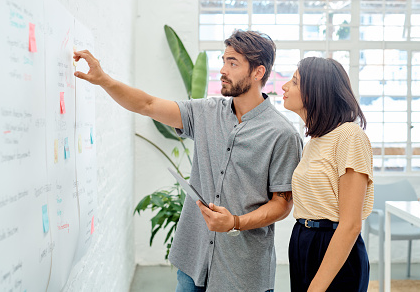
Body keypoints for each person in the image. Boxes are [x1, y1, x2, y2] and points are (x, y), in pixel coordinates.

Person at [73, 29, 303, 291]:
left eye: (233, 63)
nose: (223, 70)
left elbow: (282, 205)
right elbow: (147, 105)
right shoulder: (205, 112)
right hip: (192, 260)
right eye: (223, 60)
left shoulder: (282, 134)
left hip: (243, 273)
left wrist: (235, 222)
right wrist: (104, 80)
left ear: (258, 72)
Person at [282, 57, 374, 292]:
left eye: (294, 82)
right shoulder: (315, 141)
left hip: (332, 244)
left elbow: (351, 224)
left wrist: (317, 286)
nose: (284, 87)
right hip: (303, 241)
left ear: (315, 92)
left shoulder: (350, 136)